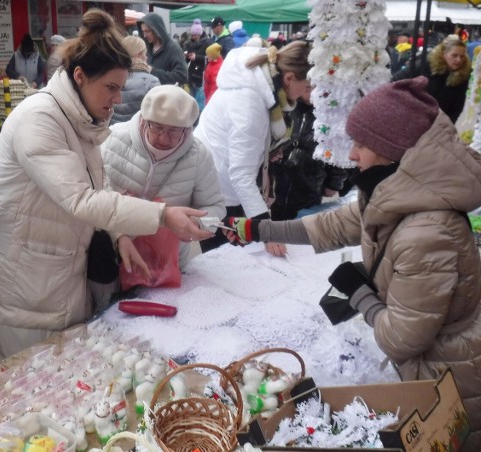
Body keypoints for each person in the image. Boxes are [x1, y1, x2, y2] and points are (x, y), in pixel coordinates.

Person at [224, 77, 481, 449]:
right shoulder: (398, 192)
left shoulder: (428, 232)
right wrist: (258, 228)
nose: (354, 155)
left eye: (361, 144)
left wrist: (359, 291)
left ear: (392, 151)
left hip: (451, 383)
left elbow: (400, 339)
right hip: (430, 371)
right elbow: (332, 225)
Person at [0, 9, 212, 369]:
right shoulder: (40, 119)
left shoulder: (80, 118)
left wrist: (119, 235)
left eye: (120, 88)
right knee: (17, 390)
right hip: (20, 284)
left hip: (51, 278)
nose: (116, 98)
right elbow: (80, 198)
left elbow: (98, 185)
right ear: (80, 76)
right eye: (110, 87)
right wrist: (161, 215)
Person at [194, 42, 311, 252]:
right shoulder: (248, 104)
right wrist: (268, 232)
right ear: (290, 78)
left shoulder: (258, 83)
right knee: (224, 264)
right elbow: (240, 174)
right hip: (218, 193)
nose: (307, 93)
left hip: (220, 184)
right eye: (308, 85)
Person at [102, 85, 225, 268]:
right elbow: (93, 189)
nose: (164, 139)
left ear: (188, 129)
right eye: (157, 127)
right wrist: (117, 233)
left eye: (174, 131)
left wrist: (195, 223)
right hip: (112, 256)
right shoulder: (114, 138)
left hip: (167, 263)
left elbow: (215, 206)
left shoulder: (198, 156)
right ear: (144, 120)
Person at [268, 84, 348, 256]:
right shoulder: (288, 108)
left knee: (303, 231)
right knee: (278, 220)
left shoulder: (330, 114)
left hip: (310, 182)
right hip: (280, 179)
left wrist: (335, 181)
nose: (309, 92)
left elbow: (340, 149)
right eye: (306, 86)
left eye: (313, 87)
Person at [393, 34, 471, 124]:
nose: (458, 60)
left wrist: (446, 125)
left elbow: (457, 108)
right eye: (454, 55)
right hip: (411, 119)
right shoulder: (425, 65)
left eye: (462, 56)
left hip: (436, 126)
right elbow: (396, 80)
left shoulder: (462, 76)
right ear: (444, 54)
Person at [111, 36, 160, 125]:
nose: (146, 57)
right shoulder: (151, 82)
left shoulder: (111, 78)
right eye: (145, 54)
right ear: (138, 55)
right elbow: (158, 117)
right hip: (139, 135)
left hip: (113, 132)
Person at [137, 13, 188, 86]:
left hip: (167, 95)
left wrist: (153, 71)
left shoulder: (173, 49)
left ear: (157, 30)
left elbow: (182, 76)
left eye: (148, 31)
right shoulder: (146, 49)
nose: (145, 35)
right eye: (143, 32)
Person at [184, 19, 211, 108]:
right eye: (192, 35)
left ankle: (199, 118)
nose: (193, 37)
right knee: (191, 101)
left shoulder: (208, 43)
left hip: (201, 76)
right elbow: (188, 59)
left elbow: (209, 58)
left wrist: (197, 58)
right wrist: (186, 56)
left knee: (200, 103)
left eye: (195, 35)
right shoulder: (190, 43)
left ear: (200, 34)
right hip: (191, 75)